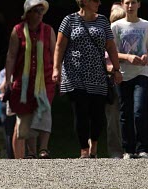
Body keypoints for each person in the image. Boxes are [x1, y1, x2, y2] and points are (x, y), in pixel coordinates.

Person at [53, 0, 122, 158]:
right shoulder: (69, 20)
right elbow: (59, 46)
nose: (99, 2)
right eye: (95, 0)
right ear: (83, 1)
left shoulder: (103, 20)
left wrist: (117, 69)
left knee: (97, 113)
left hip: (97, 74)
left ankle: (94, 145)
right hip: (74, 73)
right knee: (81, 111)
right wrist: (56, 69)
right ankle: (84, 149)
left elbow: (111, 46)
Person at [0, 0, 56, 159]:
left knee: (44, 112)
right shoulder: (17, 30)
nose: (39, 14)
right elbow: (11, 56)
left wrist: (57, 72)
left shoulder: (48, 30)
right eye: (36, 11)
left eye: (41, 11)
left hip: (45, 80)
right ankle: (31, 152)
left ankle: (43, 149)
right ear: (28, 13)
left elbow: (54, 54)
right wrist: (8, 79)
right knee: (27, 115)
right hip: (23, 82)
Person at [111, 0, 148, 159]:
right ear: (123, 5)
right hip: (123, 73)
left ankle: (142, 148)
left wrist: (146, 57)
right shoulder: (115, 26)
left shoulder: (146, 26)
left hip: (142, 73)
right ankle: (128, 149)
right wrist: (127, 57)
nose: (130, 6)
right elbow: (111, 52)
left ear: (139, 4)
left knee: (139, 110)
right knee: (125, 112)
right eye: (127, 3)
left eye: (133, 3)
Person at [104, 2, 126, 159]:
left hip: (127, 81)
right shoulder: (106, 37)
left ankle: (129, 148)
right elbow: (105, 60)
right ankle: (115, 151)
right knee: (112, 118)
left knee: (127, 116)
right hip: (111, 84)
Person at [0, 67, 15, 159]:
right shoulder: (3, 72)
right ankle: (11, 157)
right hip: (7, 104)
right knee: (9, 132)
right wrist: (8, 77)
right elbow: (1, 89)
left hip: (21, 103)